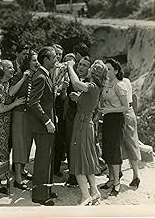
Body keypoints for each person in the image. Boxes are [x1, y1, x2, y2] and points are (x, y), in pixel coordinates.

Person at [67, 59, 108, 206]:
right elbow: (89, 102)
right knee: (87, 160)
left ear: (94, 72)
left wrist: (70, 67)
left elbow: (76, 84)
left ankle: (85, 195)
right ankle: (94, 191)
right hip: (86, 123)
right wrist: (79, 99)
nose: (88, 69)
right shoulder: (95, 87)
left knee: (78, 159)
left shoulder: (91, 86)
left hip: (82, 124)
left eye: (91, 68)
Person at [0, 60, 26, 194]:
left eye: (12, 67)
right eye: (9, 68)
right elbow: (1, 108)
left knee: (3, 150)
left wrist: (23, 78)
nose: (12, 69)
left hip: (3, 121)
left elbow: (10, 92)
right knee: (0, 151)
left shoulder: (5, 83)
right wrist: (15, 104)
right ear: (2, 70)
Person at [29, 46, 57, 206]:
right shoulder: (40, 76)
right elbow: (33, 102)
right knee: (42, 160)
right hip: (43, 126)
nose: (56, 60)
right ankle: (39, 196)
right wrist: (47, 121)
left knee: (47, 159)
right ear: (46, 60)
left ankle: (46, 190)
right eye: (53, 57)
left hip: (48, 125)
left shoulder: (45, 74)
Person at [99, 58, 129, 196]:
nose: (107, 71)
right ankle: (111, 179)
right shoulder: (107, 84)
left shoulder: (119, 85)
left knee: (115, 150)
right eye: (106, 69)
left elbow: (125, 107)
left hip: (116, 120)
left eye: (109, 69)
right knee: (107, 149)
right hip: (107, 119)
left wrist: (108, 111)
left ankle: (117, 183)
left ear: (116, 71)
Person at [9, 49, 39, 190]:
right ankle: (18, 179)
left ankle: (22, 170)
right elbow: (11, 91)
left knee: (27, 144)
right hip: (19, 114)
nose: (37, 63)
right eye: (34, 60)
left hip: (30, 115)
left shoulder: (36, 75)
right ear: (28, 62)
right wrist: (23, 78)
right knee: (19, 144)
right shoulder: (20, 74)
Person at [64, 56, 93, 187]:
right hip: (71, 114)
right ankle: (73, 174)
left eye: (84, 65)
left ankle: (84, 174)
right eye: (80, 64)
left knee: (83, 146)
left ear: (89, 69)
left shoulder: (90, 83)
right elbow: (65, 97)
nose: (81, 67)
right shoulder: (71, 79)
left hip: (83, 116)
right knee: (71, 143)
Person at [50, 44, 67, 177]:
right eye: (56, 54)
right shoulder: (48, 69)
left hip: (59, 106)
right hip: (47, 105)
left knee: (59, 138)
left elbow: (63, 96)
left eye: (60, 54)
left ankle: (56, 168)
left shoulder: (64, 70)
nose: (58, 56)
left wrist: (63, 89)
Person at [121, 77, 141, 188]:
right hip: (130, 112)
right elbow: (133, 99)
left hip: (124, 113)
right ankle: (135, 175)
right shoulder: (126, 81)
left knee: (125, 144)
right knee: (131, 144)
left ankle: (135, 176)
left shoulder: (120, 82)